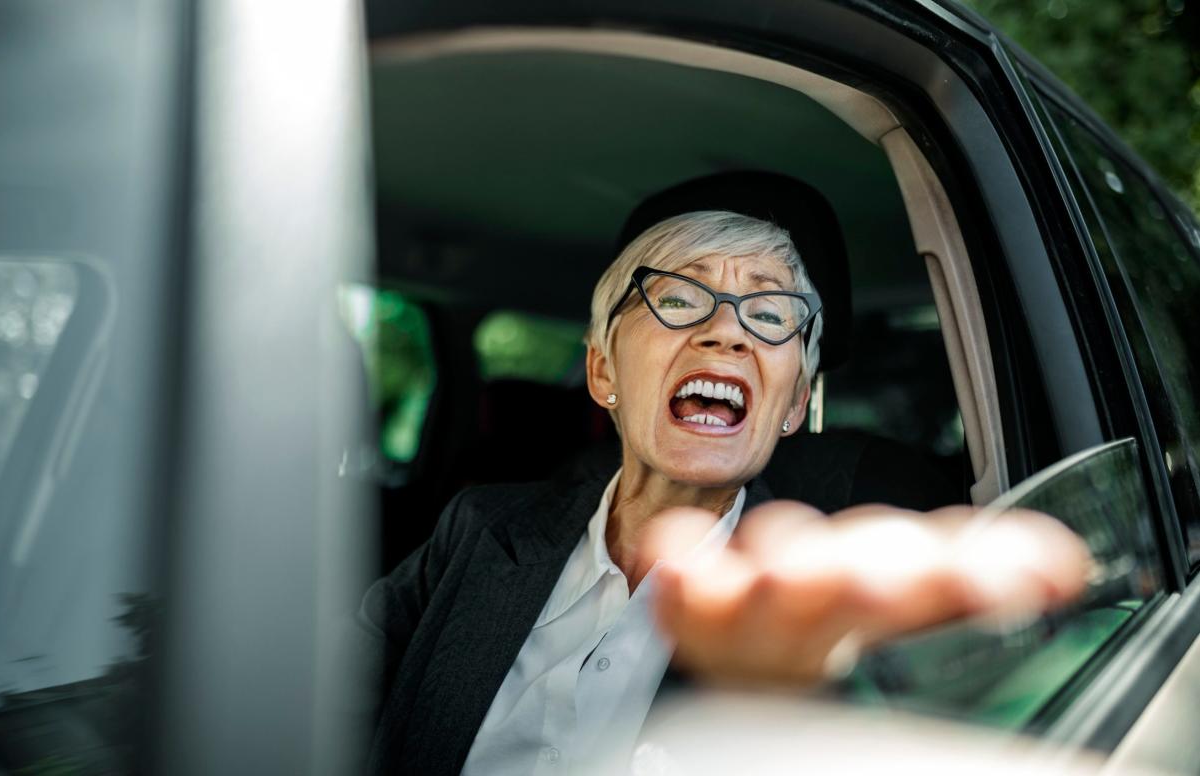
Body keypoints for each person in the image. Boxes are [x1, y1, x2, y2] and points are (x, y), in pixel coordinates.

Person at [357, 210, 1091, 775]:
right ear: (604, 373)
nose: (727, 334)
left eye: (769, 316)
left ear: (793, 404)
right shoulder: (478, 526)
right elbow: (313, 699)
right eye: (678, 299)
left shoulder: (817, 601)